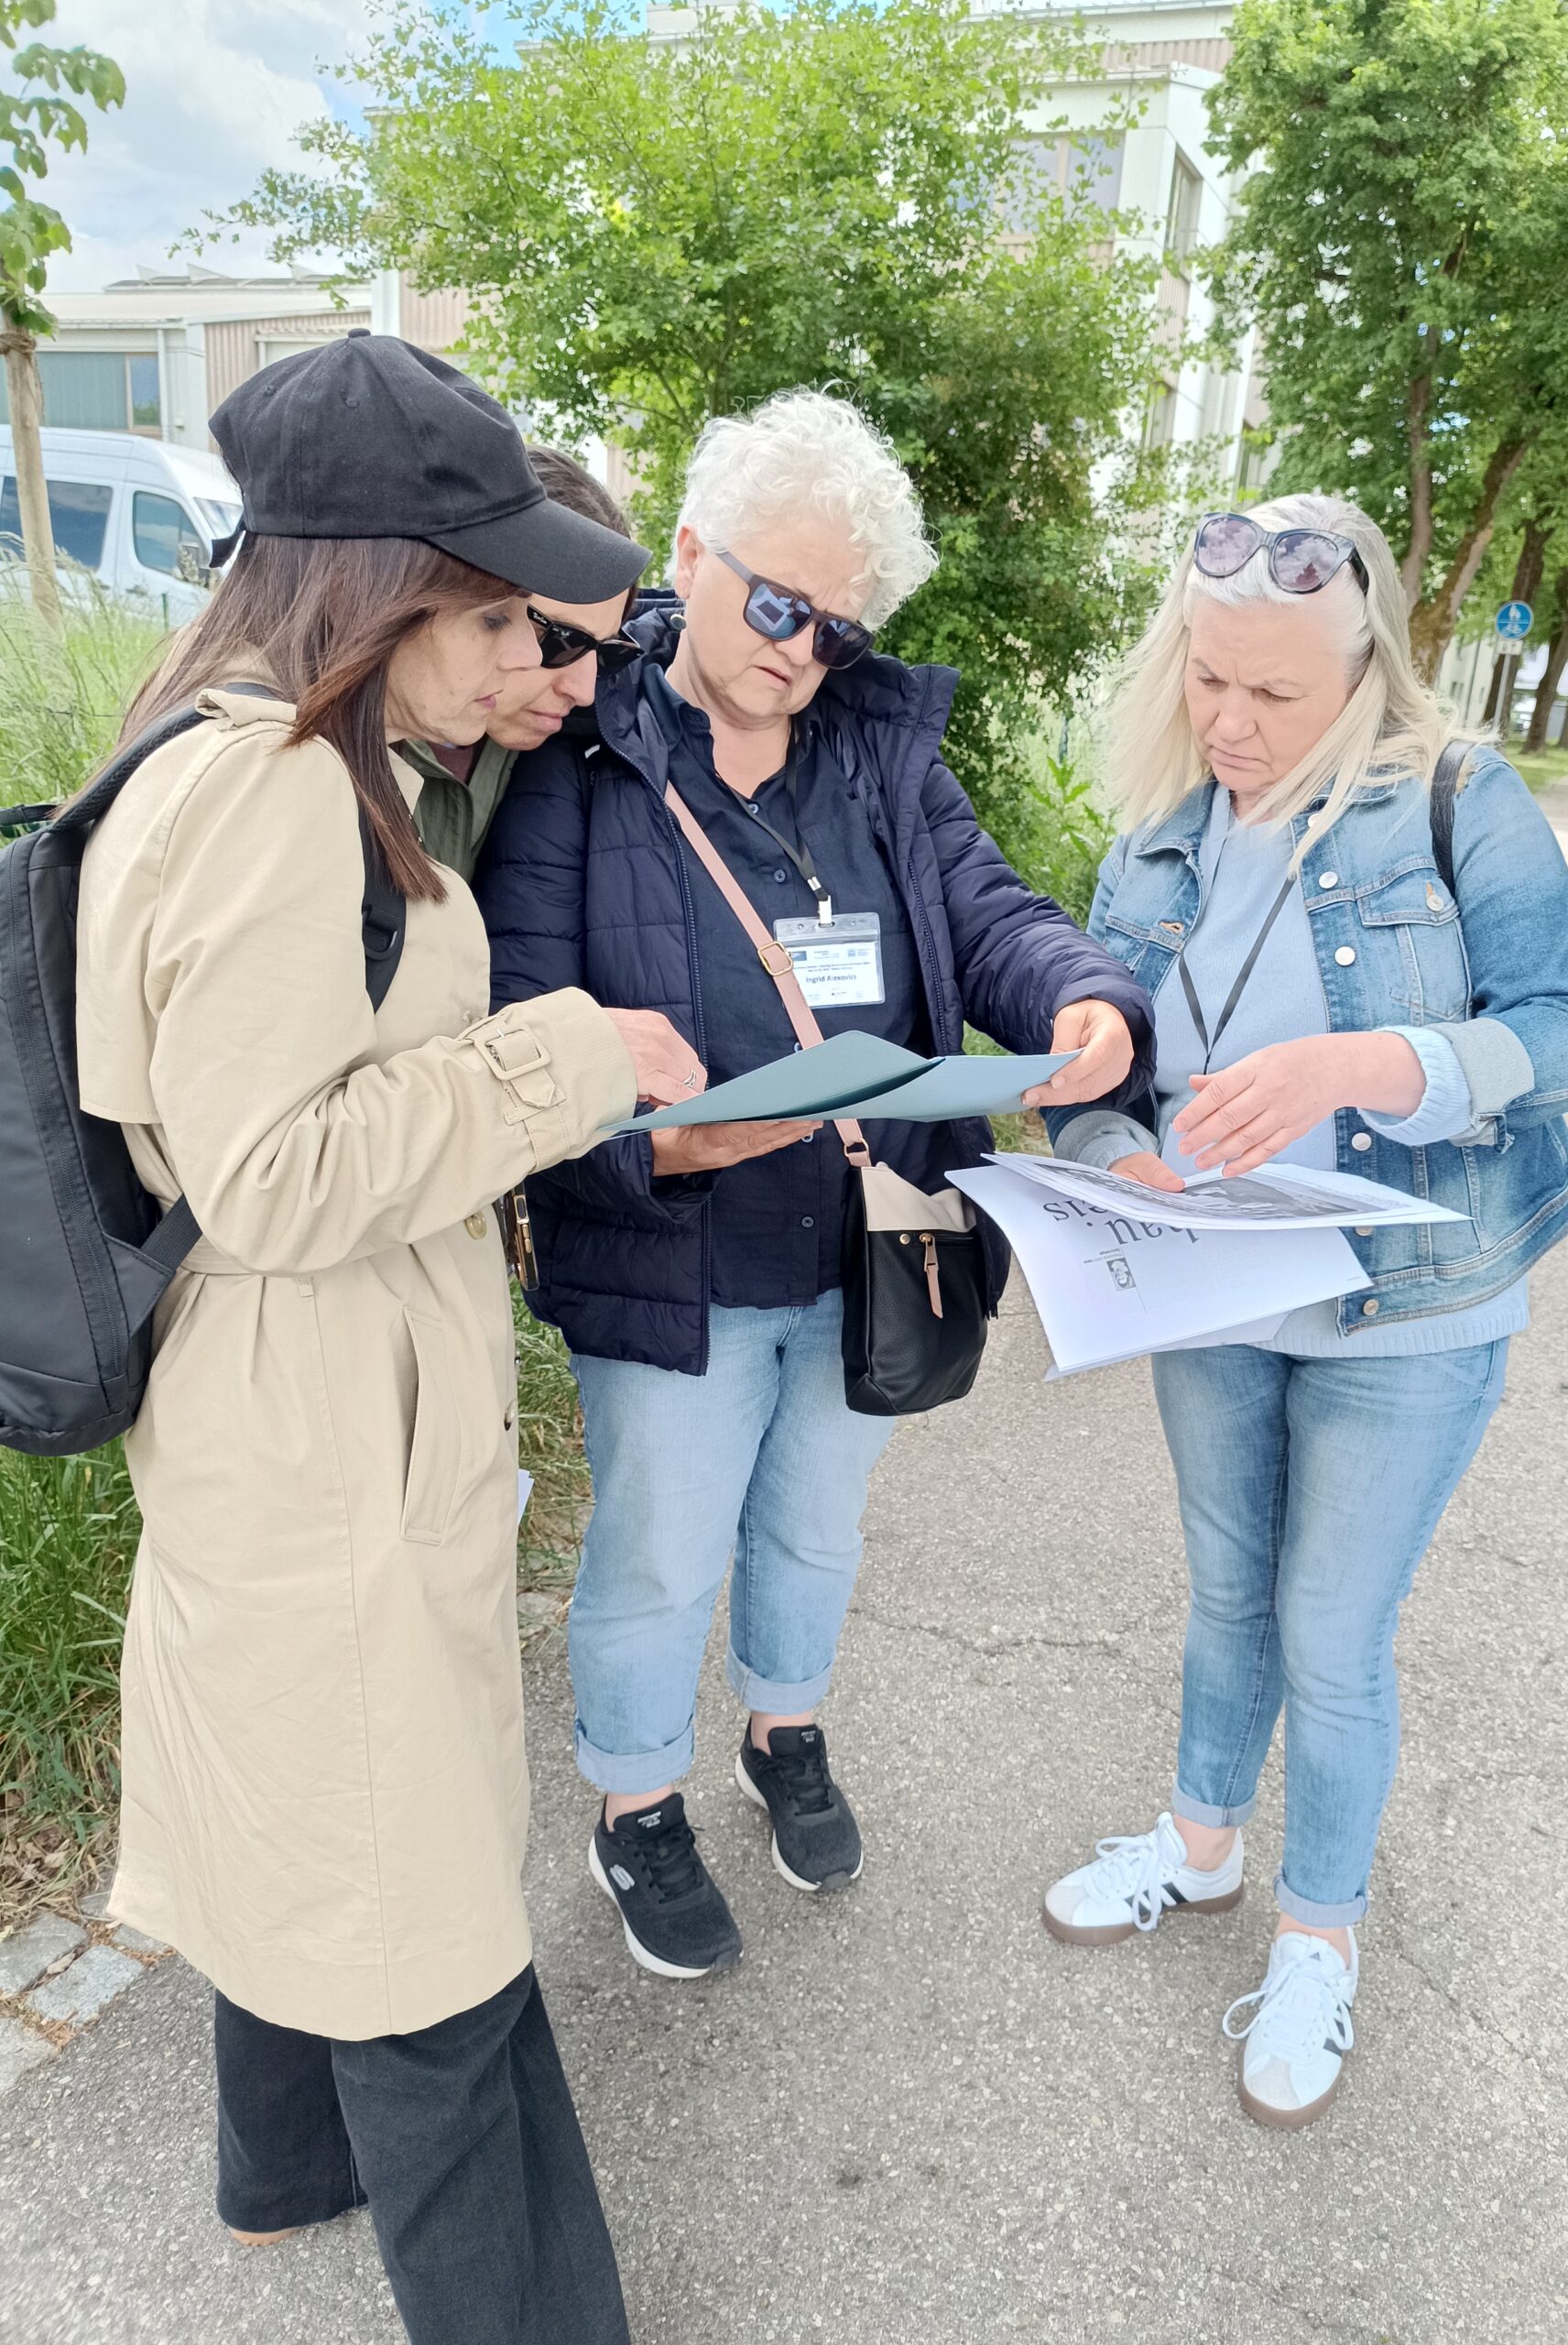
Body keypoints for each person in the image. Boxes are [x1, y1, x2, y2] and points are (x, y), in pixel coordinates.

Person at [75, 331, 706, 2341]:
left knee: (309, 1816)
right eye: (501, 611)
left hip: (283, 1411)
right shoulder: (280, 791)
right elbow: (272, 1174)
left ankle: (280, 2174)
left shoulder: (240, 751)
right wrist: (566, 1059)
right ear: (379, 587)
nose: (536, 657)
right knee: (418, 1921)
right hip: (325, 1415)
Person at [475, 389, 1155, 1981]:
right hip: (676, 1258)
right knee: (659, 1550)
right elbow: (515, 1024)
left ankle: (784, 1729)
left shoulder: (879, 756)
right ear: (688, 554)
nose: (804, 653)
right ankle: (636, 1801)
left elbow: (989, 909)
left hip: (868, 1241)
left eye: (839, 630)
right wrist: (649, 1148)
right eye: (779, 608)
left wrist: (1083, 996)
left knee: (815, 1528)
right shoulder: (578, 758)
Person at [1039, 494, 1568, 2130]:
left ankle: (1318, 1938)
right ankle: (1201, 1844)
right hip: (1217, 1288)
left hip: (1411, 1308)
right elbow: (1096, 1066)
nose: (1231, 722)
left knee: (1330, 1632)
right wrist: (1119, 1155)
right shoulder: (1160, 835)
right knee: (1227, 1594)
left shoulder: (1457, 797)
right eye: (1208, 677)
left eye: (1276, 693)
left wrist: (1367, 1065)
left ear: (1364, 671)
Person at [405, 445, 641, 878]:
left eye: (609, 651)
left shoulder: (561, 745)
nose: (583, 691)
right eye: (560, 640)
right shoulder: (321, 745)